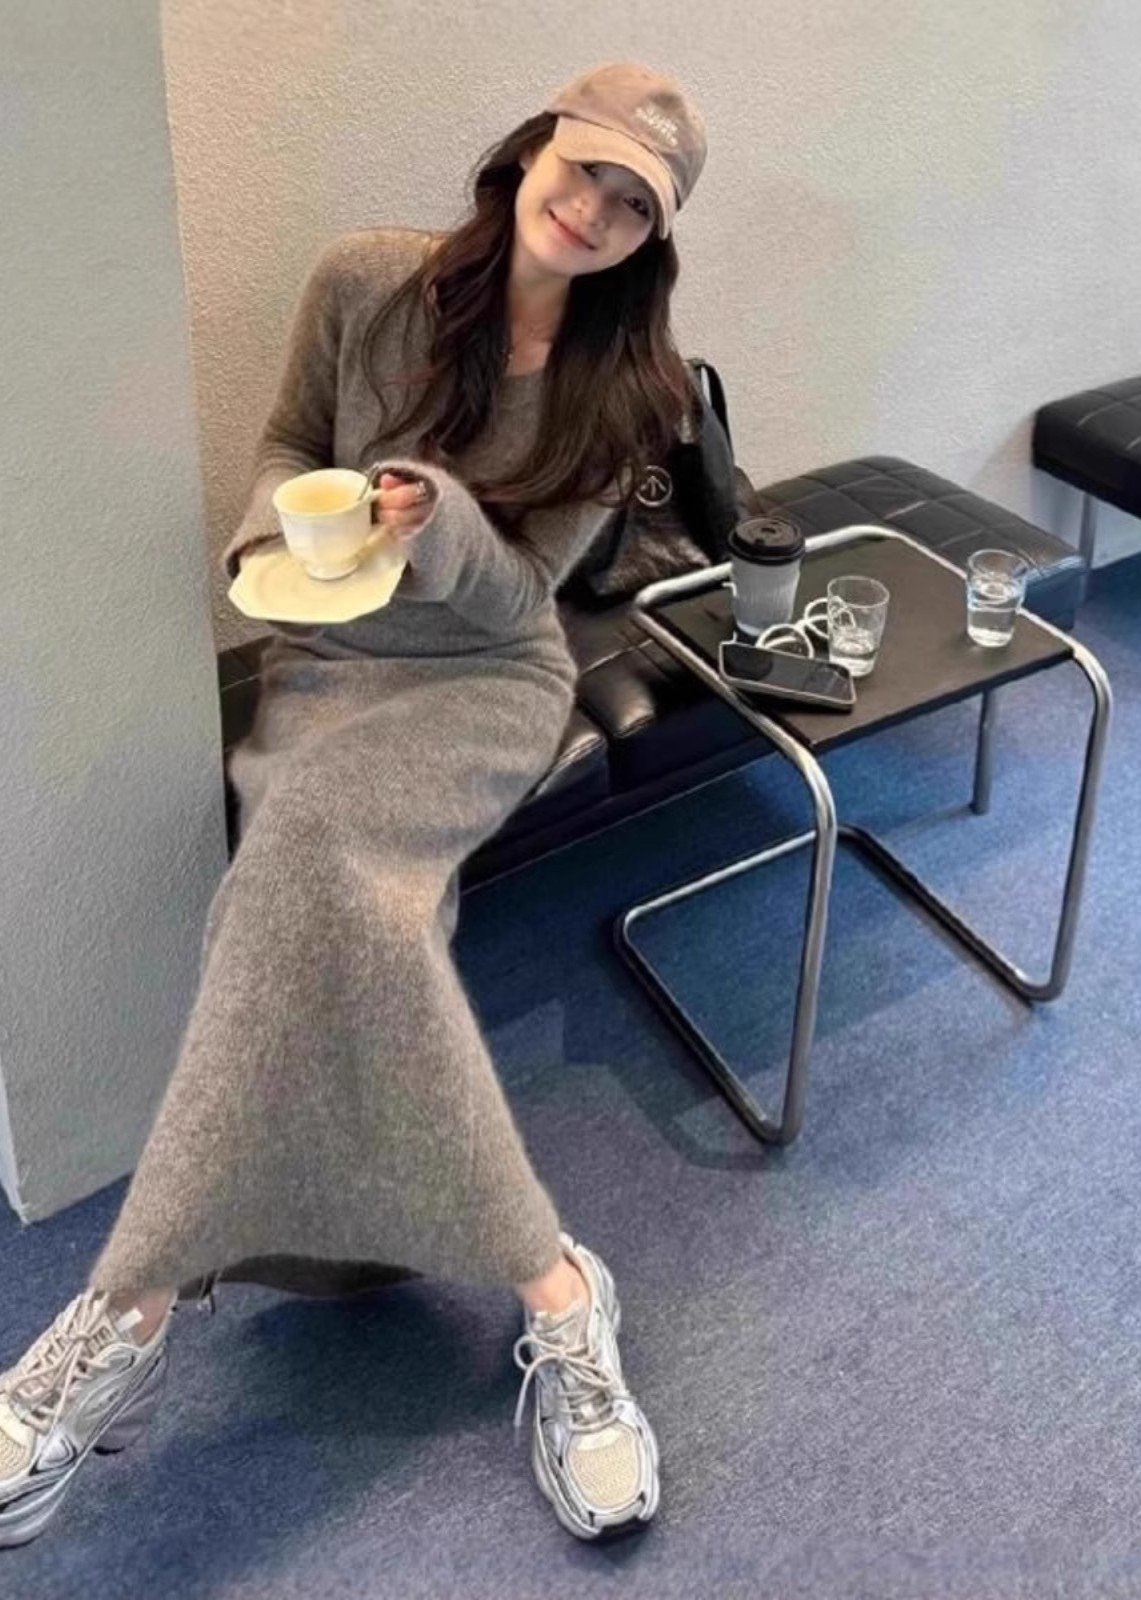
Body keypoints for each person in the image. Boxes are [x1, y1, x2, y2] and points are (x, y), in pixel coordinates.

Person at [0, 61, 707, 1548]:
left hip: (488, 677)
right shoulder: (366, 283)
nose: (592, 210)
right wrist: (287, 531)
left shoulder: (632, 390)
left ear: (653, 239)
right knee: (338, 906)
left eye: (633, 205)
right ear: (533, 149)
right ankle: (561, 1296)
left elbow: (526, 599)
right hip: (330, 656)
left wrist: (438, 523)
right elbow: (281, 449)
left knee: (301, 867)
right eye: (584, 169)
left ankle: (118, 1317)